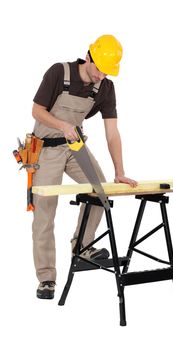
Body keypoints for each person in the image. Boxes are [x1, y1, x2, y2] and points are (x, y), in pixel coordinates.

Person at [31, 34, 137, 300]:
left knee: (101, 191)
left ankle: (82, 246)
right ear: (89, 56)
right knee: (45, 211)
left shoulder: (105, 88)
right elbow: (37, 110)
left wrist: (119, 171)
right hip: (45, 147)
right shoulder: (60, 73)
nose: (102, 75)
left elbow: (112, 133)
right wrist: (63, 125)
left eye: (107, 71)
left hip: (75, 146)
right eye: (99, 68)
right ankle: (46, 278)